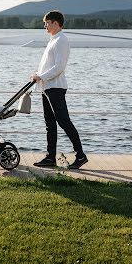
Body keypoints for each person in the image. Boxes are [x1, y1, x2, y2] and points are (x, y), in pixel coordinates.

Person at [30, 10, 88, 169]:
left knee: (64, 121)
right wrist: (38, 75)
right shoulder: (53, 40)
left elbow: (59, 67)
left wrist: (41, 76)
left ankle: (80, 155)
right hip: (47, 87)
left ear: (55, 23)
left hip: (55, 87)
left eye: (46, 23)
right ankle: (50, 157)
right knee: (50, 124)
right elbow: (48, 65)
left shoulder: (61, 40)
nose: (45, 26)